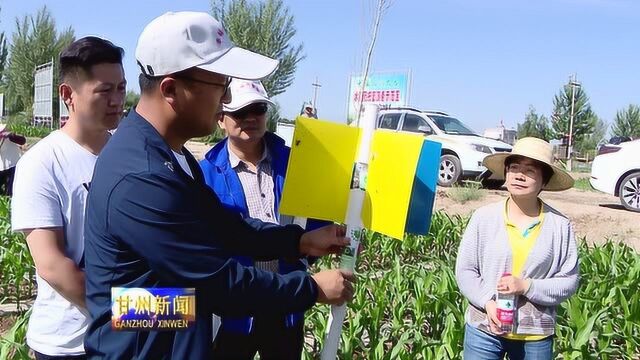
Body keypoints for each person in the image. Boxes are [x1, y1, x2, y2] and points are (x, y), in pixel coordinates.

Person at [83, 11, 354, 359]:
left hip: (160, 328)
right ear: (171, 89)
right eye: (221, 86)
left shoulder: (174, 157)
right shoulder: (142, 175)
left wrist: (298, 241)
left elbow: (226, 227)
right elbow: (216, 283)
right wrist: (311, 288)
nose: (226, 100)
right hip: (140, 346)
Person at [11, 37, 126, 360]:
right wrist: (136, 314)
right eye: (105, 91)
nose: (117, 100)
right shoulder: (43, 162)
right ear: (67, 95)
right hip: (68, 344)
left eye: (121, 88)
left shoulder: (129, 153)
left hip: (125, 340)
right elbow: (52, 266)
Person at [200, 79, 326, 359]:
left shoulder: (295, 163)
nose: (249, 118)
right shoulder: (205, 173)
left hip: (286, 300)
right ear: (221, 119)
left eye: (257, 109)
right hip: (235, 307)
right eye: (238, 112)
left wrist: (316, 248)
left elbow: (316, 218)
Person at [455, 137, 579, 360]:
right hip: (484, 327)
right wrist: (487, 303)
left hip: (535, 335)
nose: (519, 175)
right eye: (514, 168)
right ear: (506, 173)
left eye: (530, 171)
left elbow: (569, 280)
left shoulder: (559, 225)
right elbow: (466, 270)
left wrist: (526, 286)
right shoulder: (483, 218)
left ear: (544, 180)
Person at [0, 124, 26, 196]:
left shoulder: (9, 137)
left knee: (10, 190)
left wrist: (11, 135)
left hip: (13, 164)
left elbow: (22, 141)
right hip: (2, 166)